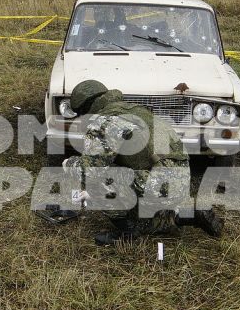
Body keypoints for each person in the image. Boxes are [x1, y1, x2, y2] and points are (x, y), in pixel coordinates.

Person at [67, 78, 220, 244]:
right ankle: (187, 214)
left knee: (96, 178)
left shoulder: (104, 121)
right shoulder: (134, 111)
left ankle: (127, 234)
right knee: (144, 219)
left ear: (85, 108)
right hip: (179, 177)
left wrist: (69, 164)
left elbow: (89, 171)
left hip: (159, 182)